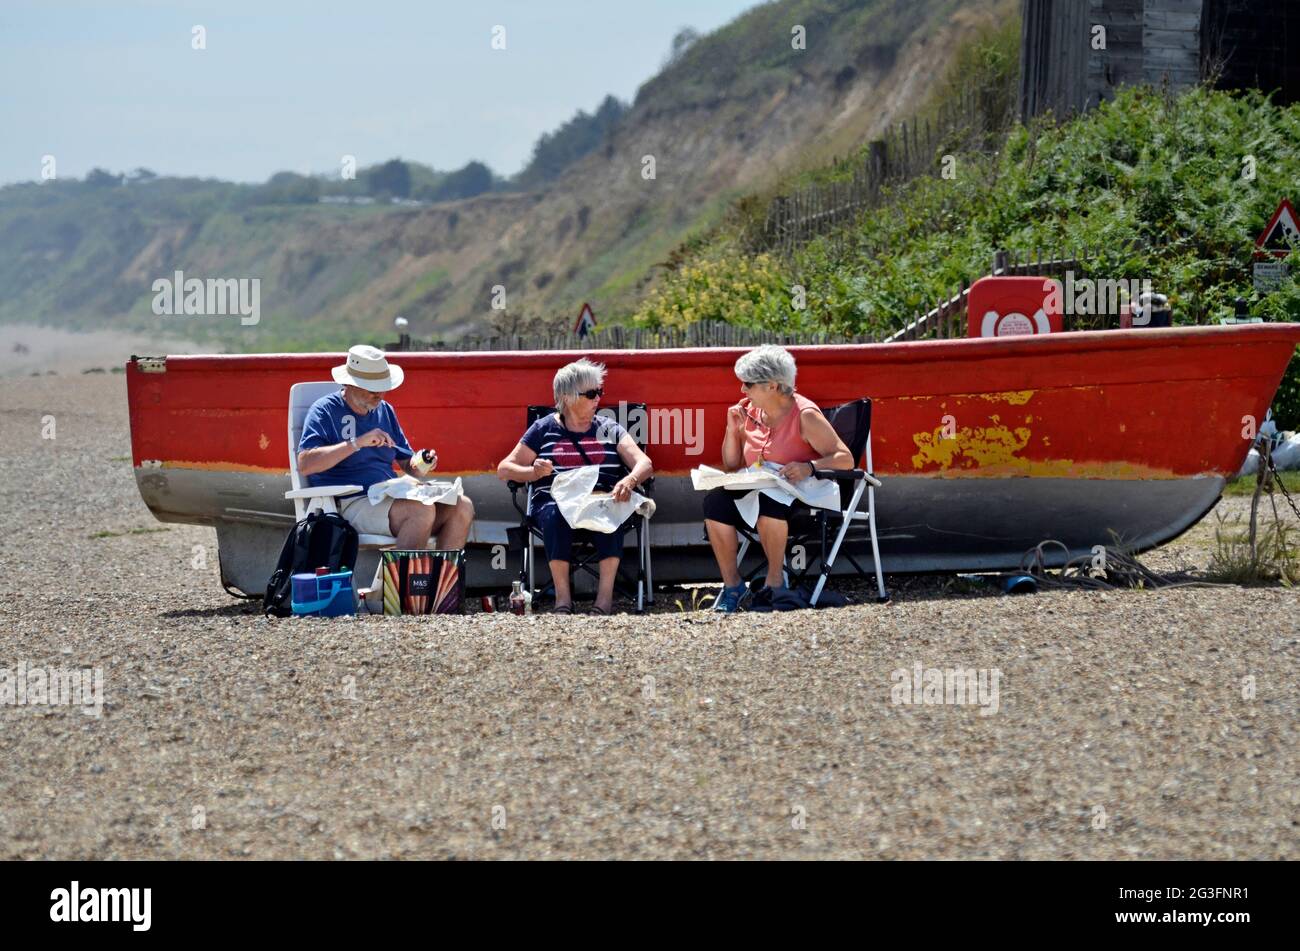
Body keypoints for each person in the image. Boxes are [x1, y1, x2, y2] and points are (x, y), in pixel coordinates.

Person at [497, 358, 653, 614]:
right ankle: (563, 600)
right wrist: (533, 472)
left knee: (608, 512)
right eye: (591, 393)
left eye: (599, 392)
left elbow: (644, 463)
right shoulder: (543, 429)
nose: (598, 399)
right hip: (556, 501)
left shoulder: (609, 428)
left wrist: (629, 480)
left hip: (601, 497)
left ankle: (603, 602)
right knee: (555, 514)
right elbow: (505, 469)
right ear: (567, 397)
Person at [704, 345, 853, 612]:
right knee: (715, 503)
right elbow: (731, 463)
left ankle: (775, 582)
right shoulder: (750, 412)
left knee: (769, 502)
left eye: (748, 384)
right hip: (759, 487)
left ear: (772, 385)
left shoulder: (805, 414)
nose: (742, 390)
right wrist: (732, 428)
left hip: (799, 493)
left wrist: (809, 466)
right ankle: (733, 586)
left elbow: (845, 458)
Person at [297, 345, 474, 549]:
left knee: (462, 506)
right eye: (373, 389)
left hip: (388, 496)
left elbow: (410, 466)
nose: (380, 395)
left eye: (383, 387)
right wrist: (357, 443)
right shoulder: (324, 410)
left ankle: (441, 581)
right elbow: (306, 464)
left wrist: (423, 462)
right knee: (420, 511)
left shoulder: (384, 410)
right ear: (351, 384)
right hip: (351, 501)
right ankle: (402, 580)